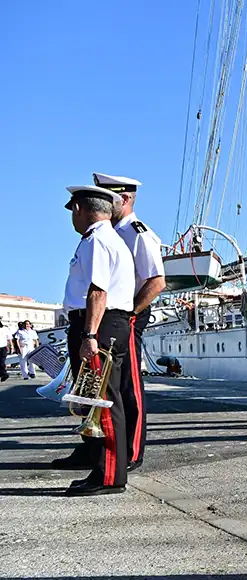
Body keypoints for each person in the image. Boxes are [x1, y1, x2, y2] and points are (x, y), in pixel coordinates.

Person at [50, 185, 136, 496]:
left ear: (79, 209)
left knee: (102, 400)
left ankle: (110, 475)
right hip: (102, 323)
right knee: (93, 399)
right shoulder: (101, 238)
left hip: (99, 324)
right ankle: (101, 468)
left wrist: (89, 335)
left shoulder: (98, 240)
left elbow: (98, 291)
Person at [93, 173, 165, 472]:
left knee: (128, 386)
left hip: (128, 316)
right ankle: (100, 449)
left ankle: (132, 452)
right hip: (113, 316)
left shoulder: (138, 233)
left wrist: (132, 314)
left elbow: (156, 281)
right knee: (105, 385)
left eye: (108, 199)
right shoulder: (111, 233)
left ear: (124, 199)